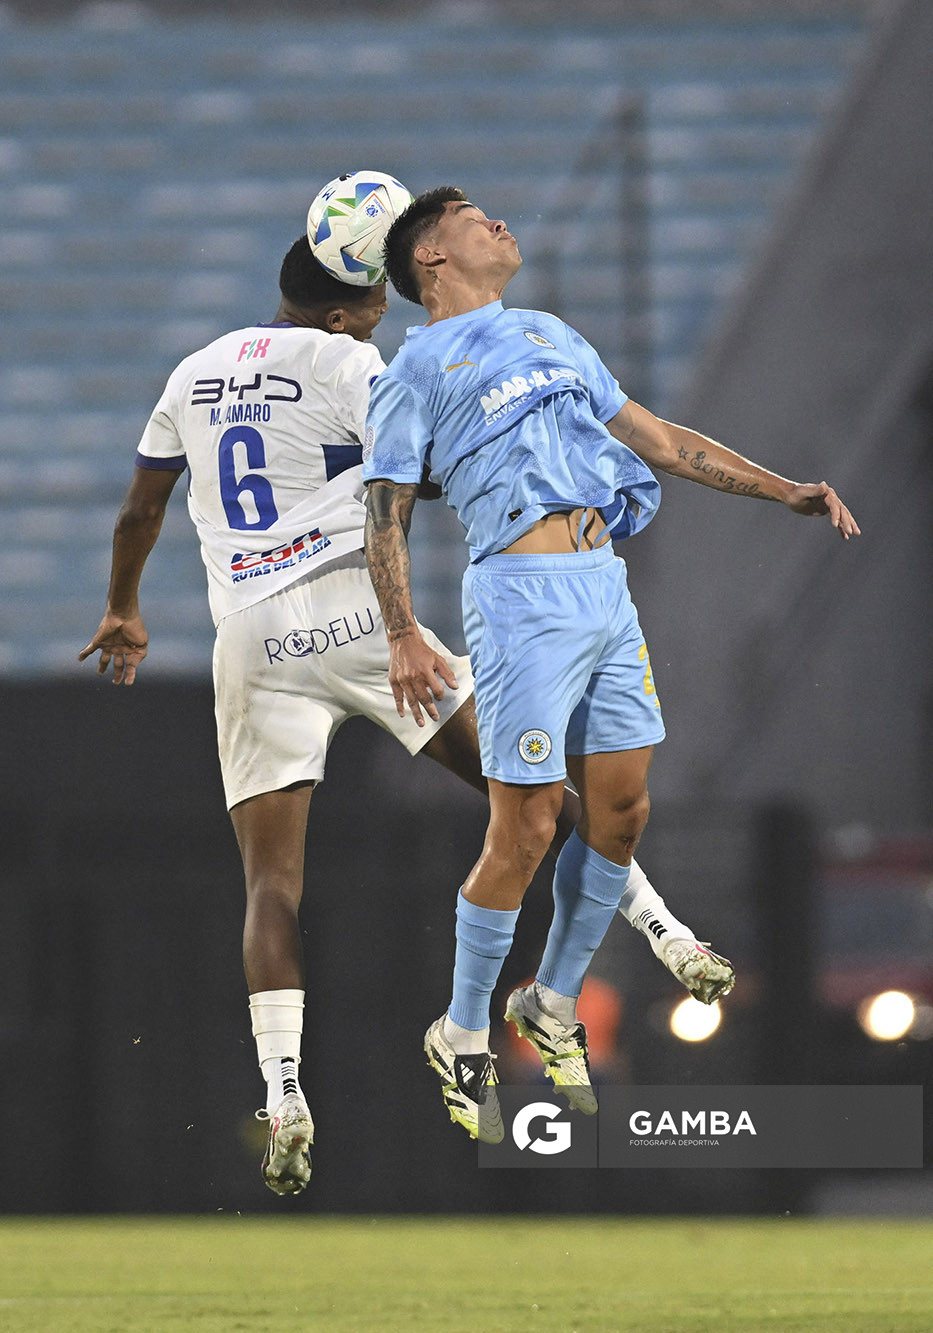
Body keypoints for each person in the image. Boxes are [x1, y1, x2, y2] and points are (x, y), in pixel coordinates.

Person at [80, 234, 734, 1193]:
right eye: (372, 308)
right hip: (355, 612)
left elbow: (139, 512)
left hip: (251, 638)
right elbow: (416, 471)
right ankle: (664, 928)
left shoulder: (193, 372)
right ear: (338, 312)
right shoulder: (347, 362)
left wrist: (123, 608)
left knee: (271, 886)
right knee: (527, 796)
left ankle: (284, 1093)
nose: (381, 319)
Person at [362, 187, 860, 1144]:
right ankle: (461, 1030)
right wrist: (400, 631)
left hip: (602, 587)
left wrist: (783, 491)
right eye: (471, 218)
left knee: (622, 814)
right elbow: (385, 508)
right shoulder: (415, 368)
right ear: (430, 257)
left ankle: (550, 1003)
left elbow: (661, 442)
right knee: (526, 826)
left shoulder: (550, 333)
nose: (496, 223)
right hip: (521, 599)